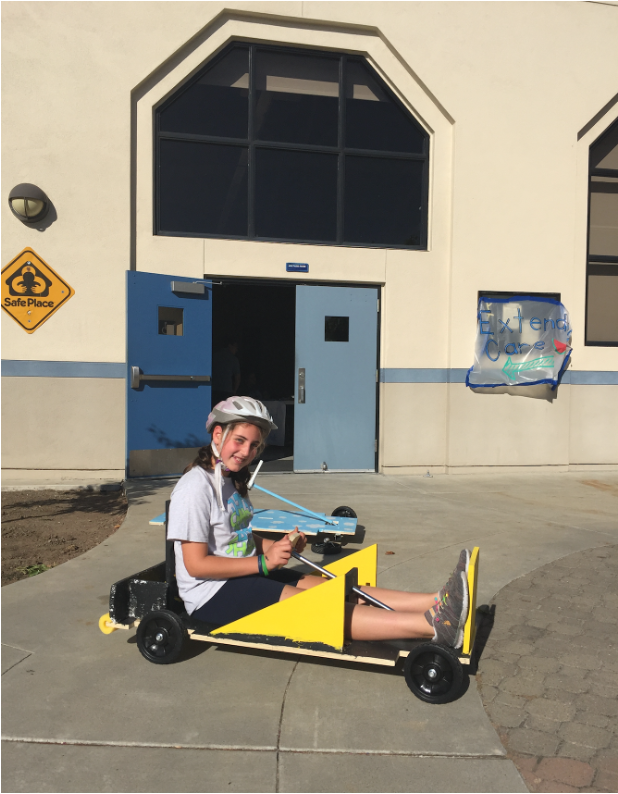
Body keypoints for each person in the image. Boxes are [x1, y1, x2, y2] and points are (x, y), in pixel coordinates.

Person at [167, 397, 470, 648]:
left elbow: (237, 535)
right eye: (239, 441)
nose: (246, 452)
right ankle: (431, 626)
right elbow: (196, 565)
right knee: (320, 607)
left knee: (334, 590)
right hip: (211, 593)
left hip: (241, 575)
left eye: (254, 446)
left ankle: (436, 600)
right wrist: (263, 565)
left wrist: (276, 546)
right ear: (217, 434)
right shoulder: (195, 488)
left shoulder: (229, 481)